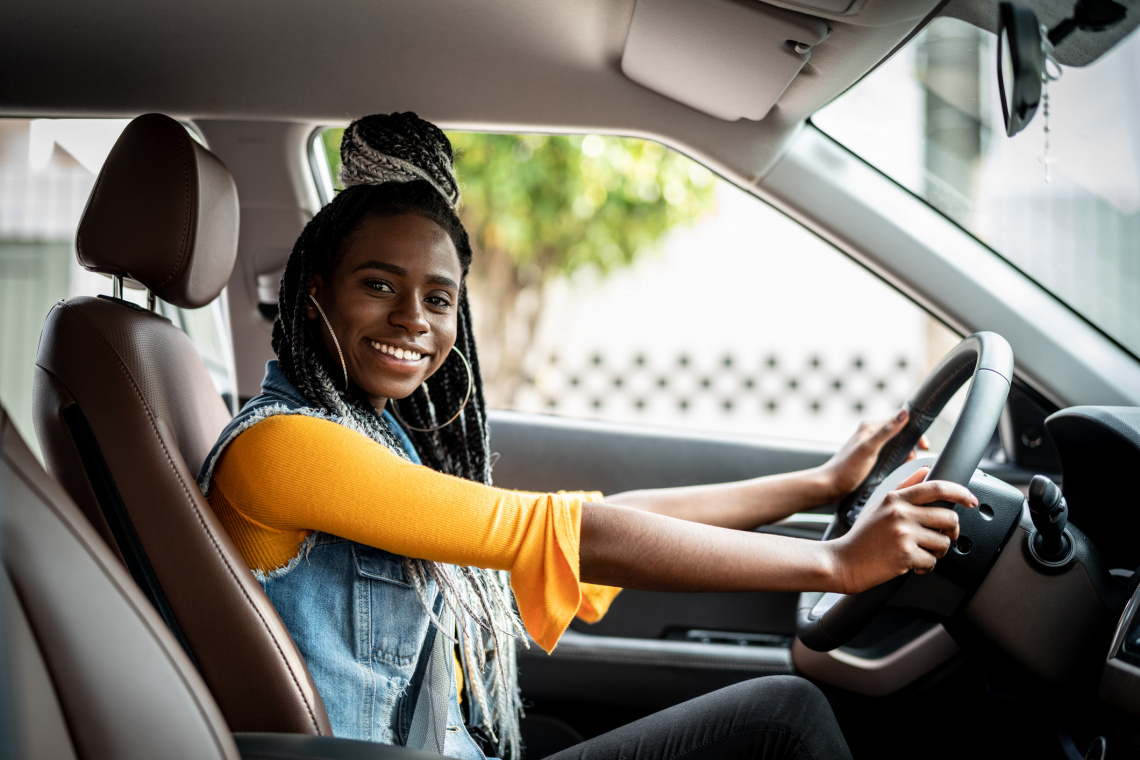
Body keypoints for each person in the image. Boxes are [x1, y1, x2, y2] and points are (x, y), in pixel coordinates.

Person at [197, 113, 975, 760]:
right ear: (310, 296)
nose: (412, 320)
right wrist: (838, 563)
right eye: (378, 284)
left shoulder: (374, 436)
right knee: (783, 719)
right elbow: (570, 530)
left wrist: (820, 486)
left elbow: (592, 521)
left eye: (438, 298)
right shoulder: (285, 448)